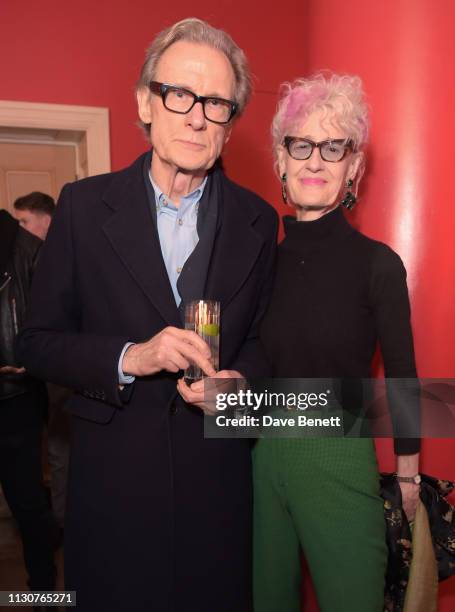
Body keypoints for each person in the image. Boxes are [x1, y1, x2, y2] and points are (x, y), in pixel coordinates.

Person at [17, 18, 278, 612]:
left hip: (217, 489)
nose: (196, 116)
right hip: (113, 487)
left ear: (230, 123)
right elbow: (35, 342)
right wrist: (132, 357)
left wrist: (237, 391)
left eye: (216, 103)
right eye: (180, 94)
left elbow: (262, 344)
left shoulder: (259, 221)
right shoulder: (83, 208)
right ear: (145, 101)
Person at [253, 74, 420, 612]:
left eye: (334, 147)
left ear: (354, 167)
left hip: (338, 452)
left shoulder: (377, 263)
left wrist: (408, 471)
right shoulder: (259, 264)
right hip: (257, 453)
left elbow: (402, 373)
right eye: (300, 144)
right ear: (281, 161)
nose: (315, 160)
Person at [0, 209, 56, 605]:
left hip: (14, 396)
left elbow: (54, 322)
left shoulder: (31, 250)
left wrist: (33, 359)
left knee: (28, 503)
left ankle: (44, 593)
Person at [14, 191, 70, 537]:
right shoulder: (21, 260)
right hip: (38, 373)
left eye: (23, 221)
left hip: (66, 372)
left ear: (46, 221)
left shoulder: (63, 258)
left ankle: (65, 523)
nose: (18, 229)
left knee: (61, 449)